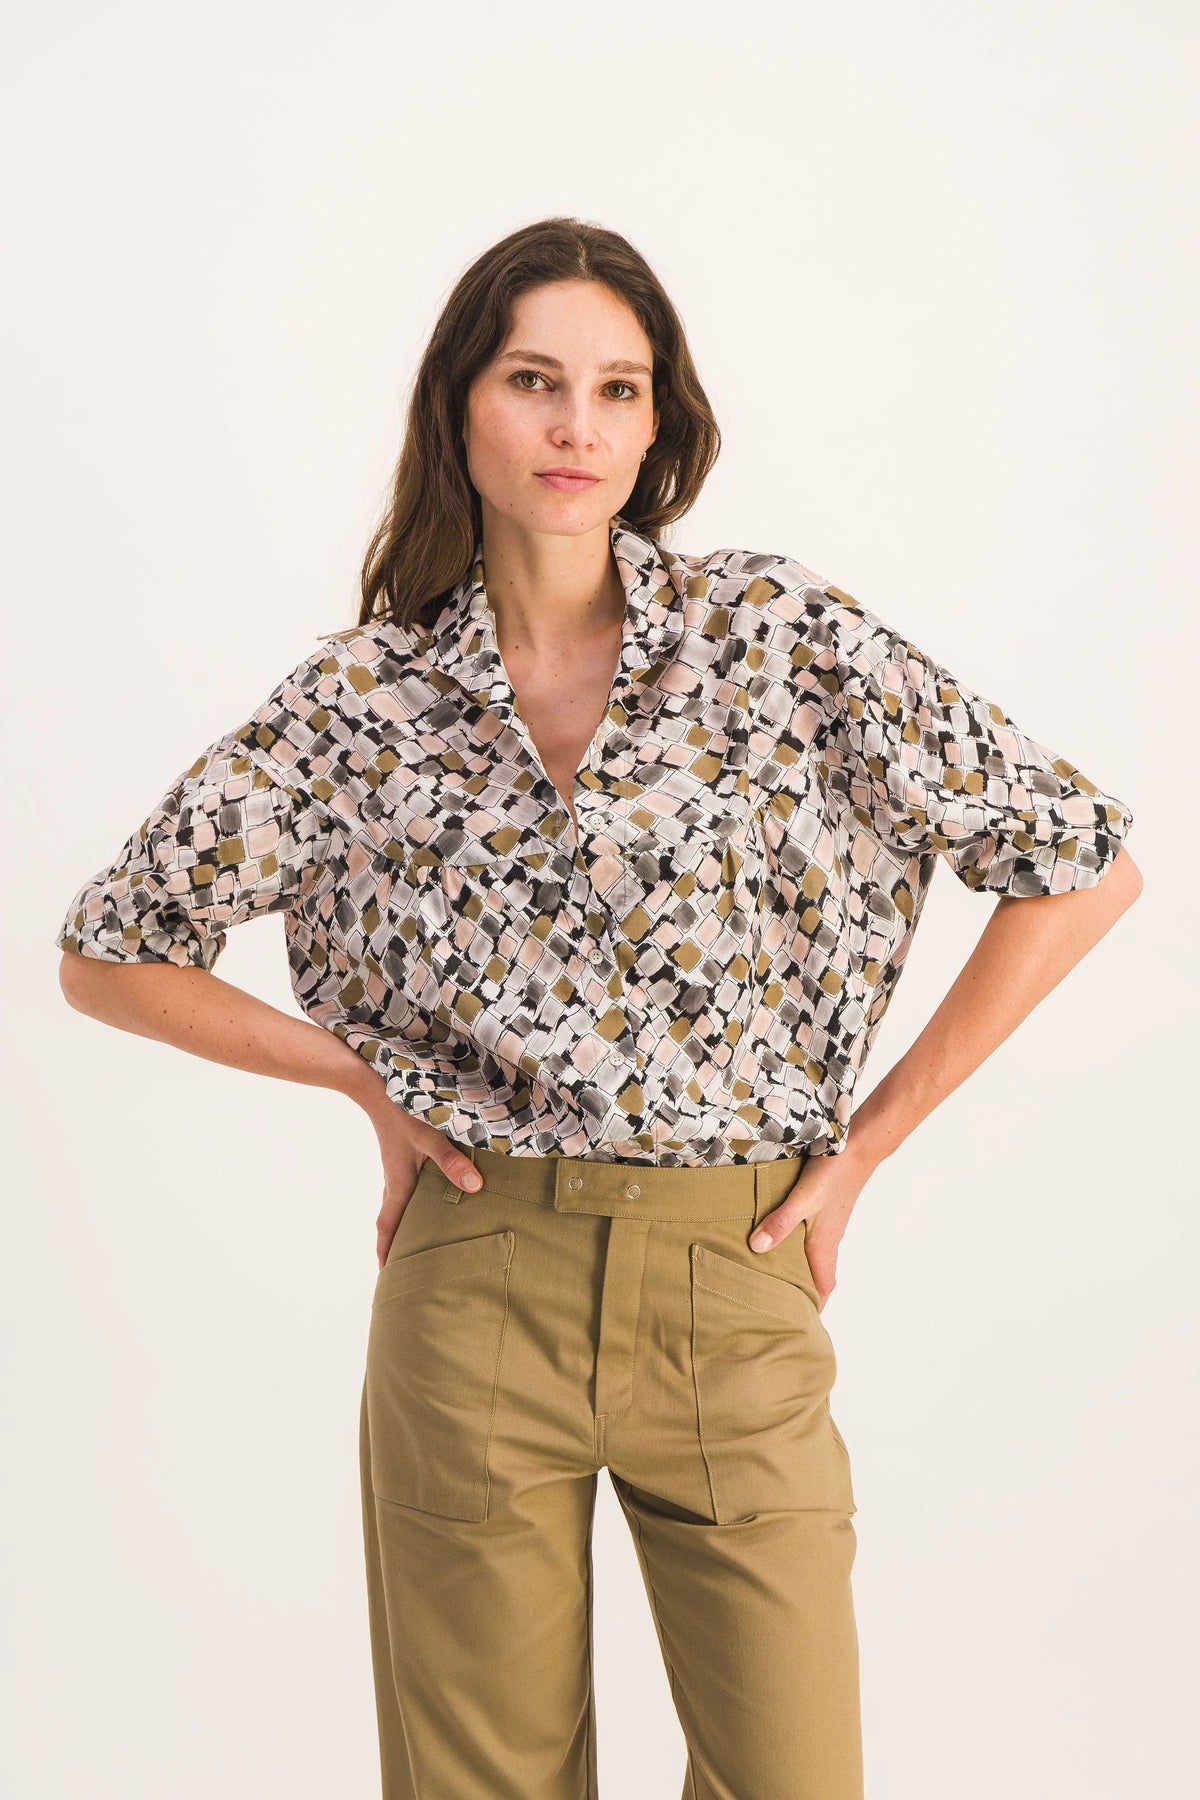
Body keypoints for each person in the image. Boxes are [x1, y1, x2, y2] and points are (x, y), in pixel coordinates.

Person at [55, 216, 1142, 1800]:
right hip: (476, 1274)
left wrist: (869, 1146)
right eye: (533, 380)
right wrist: (364, 1082)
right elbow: (110, 950)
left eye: (618, 388)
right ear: (458, 406)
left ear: (657, 422)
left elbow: (1080, 866)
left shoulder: (777, 637)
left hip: (735, 1270)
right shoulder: (363, 701)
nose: (577, 425)